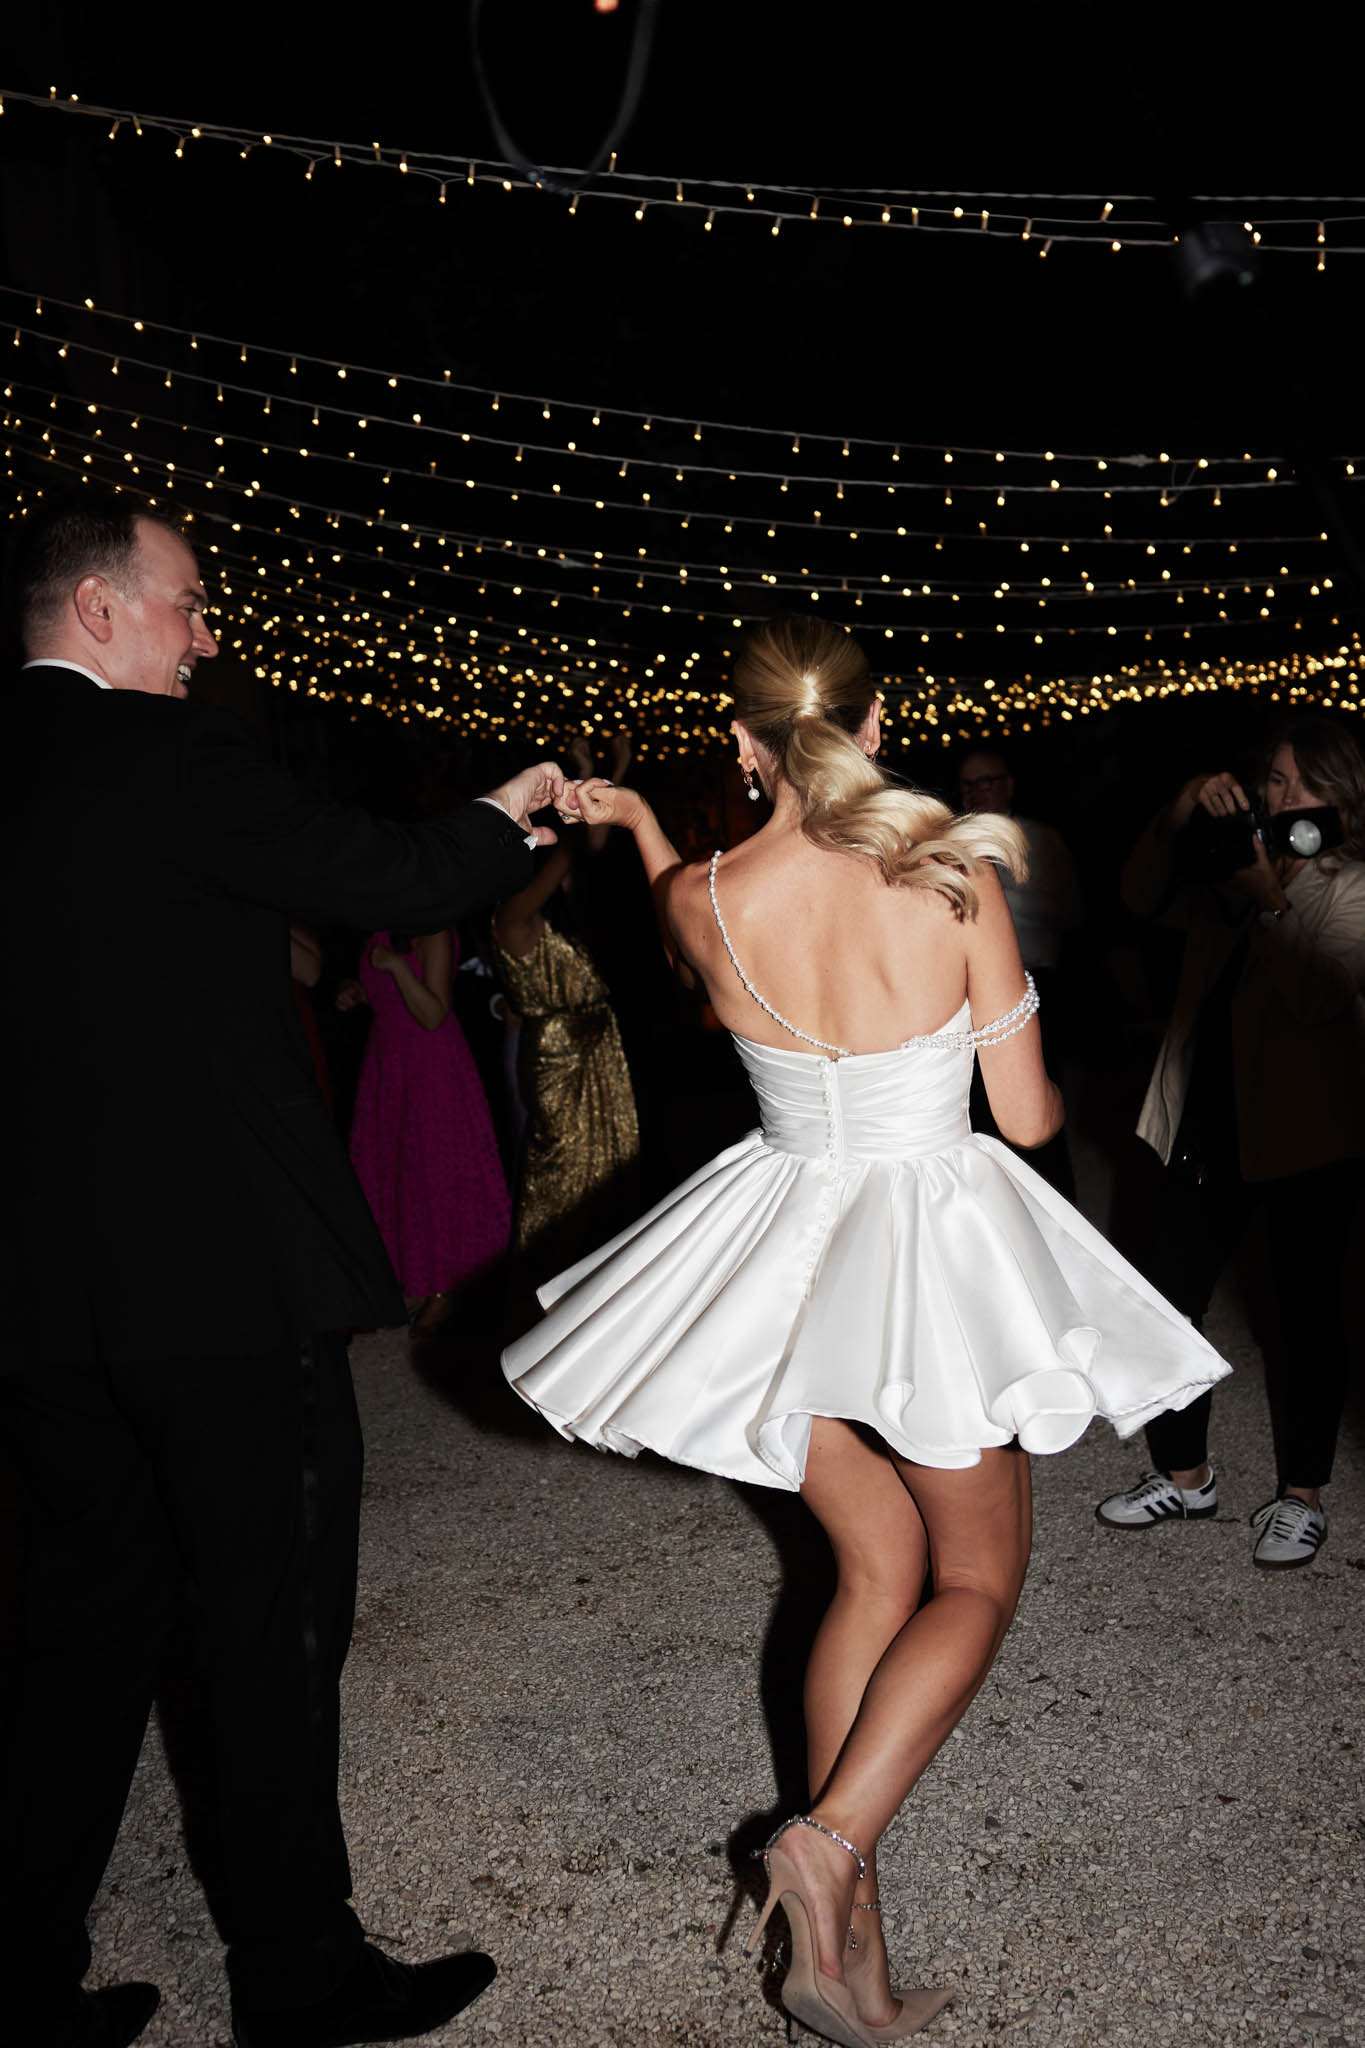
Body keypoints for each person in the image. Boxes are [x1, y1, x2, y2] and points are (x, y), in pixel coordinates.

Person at [502, 616, 1230, 2046]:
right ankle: (824, 1845)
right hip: (920, 1251)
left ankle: (837, 1965)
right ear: (878, 725)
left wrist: (648, 820)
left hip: (776, 1256)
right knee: (975, 1581)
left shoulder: (702, 898)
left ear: (741, 742)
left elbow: (685, 914)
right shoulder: (949, 874)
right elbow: (1022, 1119)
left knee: (872, 1565)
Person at [0, 491, 566, 2048]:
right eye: (187, 603)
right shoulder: (166, 756)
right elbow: (384, 878)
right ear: (100, 609)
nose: (207, 633)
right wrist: (505, 816)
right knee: (264, 1625)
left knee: (75, 1624)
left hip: (40, 1301)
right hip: (219, 1293)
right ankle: (296, 1973)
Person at [1095, 719, 1365, 1569]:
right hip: (1201, 1124)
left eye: (1295, 784)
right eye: (1271, 780)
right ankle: (1185, 1475)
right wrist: (1178, 813)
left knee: (1303, 1316)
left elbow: (1319, 998)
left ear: (1339, 795)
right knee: (1164, 1301)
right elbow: (1137, 896)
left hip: (1304, 1134)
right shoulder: (1227, 870)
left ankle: (1302, 1497)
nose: (1277, 797)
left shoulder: (1349, 886)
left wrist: (1268, 896)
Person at [492, 734, 640, 1280]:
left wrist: (603, 776)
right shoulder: (511, 916)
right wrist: (577, 814)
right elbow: (575, 855)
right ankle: (540, 1272)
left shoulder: (569, 916)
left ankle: (598, 1270)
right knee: (559, 1163)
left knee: (609, 1160)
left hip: (599, 1042)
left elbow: (593, 858)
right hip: (555, 1052)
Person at [343, 926, 511, 1338]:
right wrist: (361, 991)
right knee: (390, 1175)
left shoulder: (433, 931)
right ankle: (407, 1280)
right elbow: (392, 998)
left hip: (431, 1068)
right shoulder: (381, 929)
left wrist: (397, 968)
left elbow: (434, 1014)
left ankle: (443, 1288)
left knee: (433, 1176)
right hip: (389, 1064)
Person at [957, 746, 1080, 1197]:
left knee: (1038, 1103)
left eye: (986, 781)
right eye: (968, 785)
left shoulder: (1040, 839)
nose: (977, 792)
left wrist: (997, 899)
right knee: (980, 1110)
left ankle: (1055, 1203)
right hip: (968, 995)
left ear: (1008, 785)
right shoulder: (950, 844)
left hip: (1036, 985)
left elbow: (1068, 910)